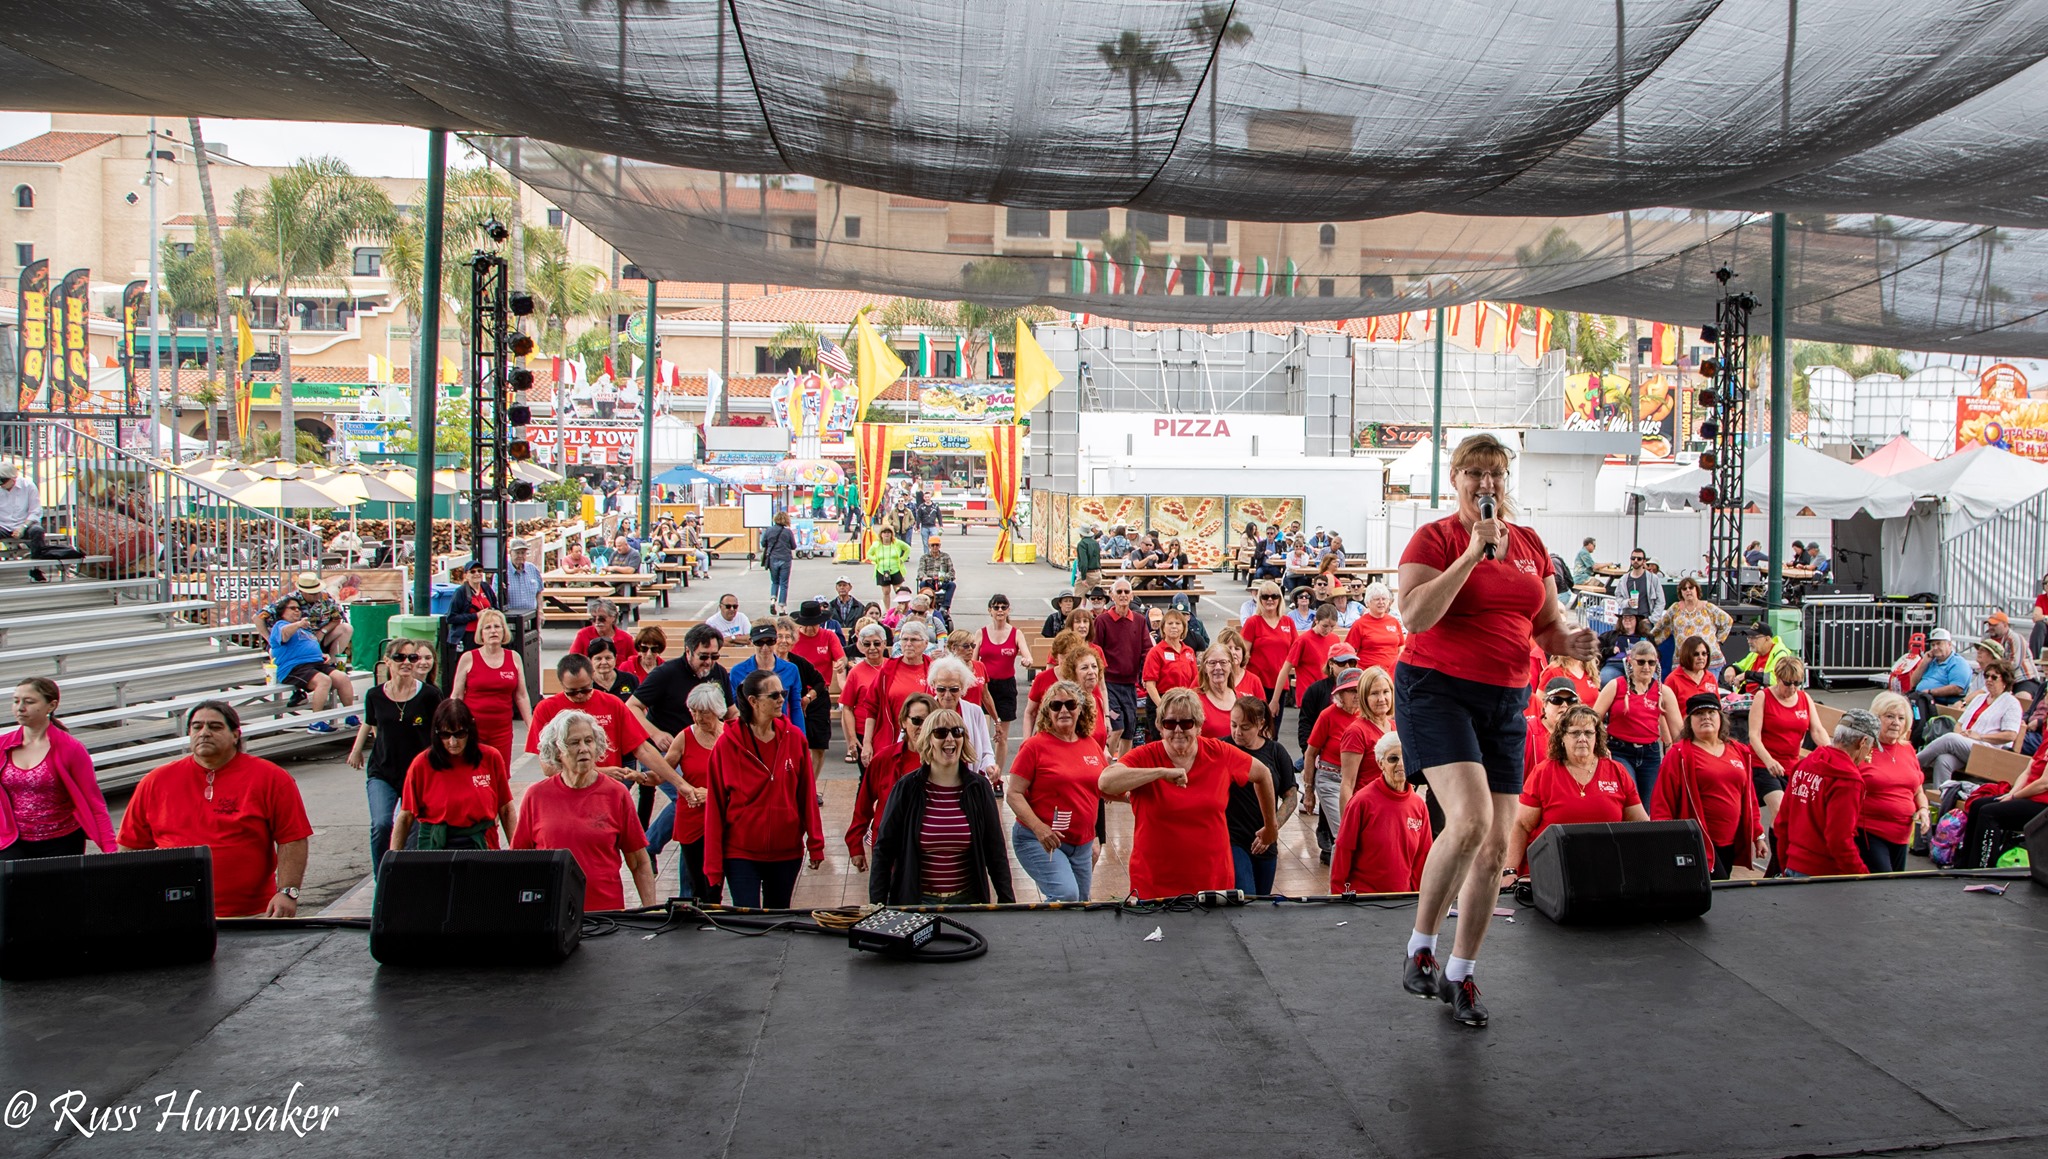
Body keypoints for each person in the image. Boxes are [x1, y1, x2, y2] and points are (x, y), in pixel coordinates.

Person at [1394, 433, 1595, 1028]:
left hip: (1505, 700)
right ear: (1455, 478)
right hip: (1436, 691)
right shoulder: (1435, 538)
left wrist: (1572, 643)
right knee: (1472, 818)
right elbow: (1414, 616)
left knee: (1494, 847)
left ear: (1506, 482)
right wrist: (1471, 557)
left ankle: (1460, 974)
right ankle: (1419, 948)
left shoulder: (1531, 544)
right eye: (1474, 473)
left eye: (1496, 474)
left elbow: (1547, 627)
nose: (1486, 483)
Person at [118, 701, 312, 917]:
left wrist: (287, 892)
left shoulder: (272, 778)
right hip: (173, 913)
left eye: (215, 727)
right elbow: (130, 848)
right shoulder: (155, 781)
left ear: (235, 735)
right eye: (197, 727)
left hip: (252, 914)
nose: (205, 733)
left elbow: (292, 839)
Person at [1100, 687, 1280, 899]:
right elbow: (1105, 782)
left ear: (1199, 727)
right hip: (1154, 882)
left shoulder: (1219, 753)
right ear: (1159, 726)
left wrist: (1271, 827)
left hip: (1212, 880)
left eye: (1186, 723)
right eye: (1170, 723)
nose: (1178, 730)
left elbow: (1263, 774)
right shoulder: (1144, 756)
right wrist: (1159, 773)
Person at [868, 707, 1014, 905]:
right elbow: (884, 850)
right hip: (917, 903)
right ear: (928, 740)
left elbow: (995, 851)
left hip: (968, 902)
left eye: (957, 732)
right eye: (940, 733)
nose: (950, 739)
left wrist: (1009, 905)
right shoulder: (906, 788)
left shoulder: (978, 788)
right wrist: (877, 904)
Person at [514, 710, 657, 910]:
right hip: (552, 913)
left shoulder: (616, 794)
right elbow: (520, 862)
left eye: (588, 741)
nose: (584, 749)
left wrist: (651, 912)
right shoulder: (536, 796)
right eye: (574, 743)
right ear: (557, 750)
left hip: (606, 915)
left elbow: (639, 863)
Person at [704, 669, 825, 907]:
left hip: (786, 852)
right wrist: (713, 864)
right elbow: (715, 807)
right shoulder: (727, 745)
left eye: (784, 693)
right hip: (740, 852)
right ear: (753, 701)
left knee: (778, 918)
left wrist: (816, 843)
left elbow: (806, 796)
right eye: (774, 695)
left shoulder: (795, 738)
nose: (782, 699)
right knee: (748, 919)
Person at [1504, 705, 1649, 873]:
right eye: (1574, 733)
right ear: (1562, 738)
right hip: (1552, 871)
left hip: (1607, 871)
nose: (1582, 739)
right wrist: (1509, 870)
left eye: (1588, 733)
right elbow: (1521, 825)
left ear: (1597, 737)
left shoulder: (1617, 772)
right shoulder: (1543, 773)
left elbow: (1641, 825)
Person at [347, 640, 442, 876]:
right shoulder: (375, 695)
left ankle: (405, 876)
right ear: (387, 661)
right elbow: (370, 723)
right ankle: (383, 878)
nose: (407, 663)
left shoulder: (430, 695)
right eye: (400, 658)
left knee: (413, 828)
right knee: (381, 824)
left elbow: (442, 729)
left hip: (418, 773)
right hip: (383, 770)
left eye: (412, 658)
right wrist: (357, 750)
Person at [1006, 681, 1106, 900]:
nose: (1063, 710)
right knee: (1066, 895)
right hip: (1039, 838)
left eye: (1070, 704)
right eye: (1055, 705)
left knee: (1081, 902)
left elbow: (1104, 788)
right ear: (1047, 711)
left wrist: (1137, 793)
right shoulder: (1034, 747)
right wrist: (1039, 828)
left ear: (1080, 708)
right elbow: (1013, 793)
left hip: (1082, 843)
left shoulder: (1090, 744)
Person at [0, 678, 115, 859]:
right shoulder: (2, 745)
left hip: (62, 842)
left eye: (29, 702)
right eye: (16, 701)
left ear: (51, 706)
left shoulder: (71, 748)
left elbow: (94, 803)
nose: (20, 707)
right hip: (11, 840)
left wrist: (111, 852)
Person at [1650, 693, 1760, 878]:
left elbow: (1749, 796)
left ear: (1721, 717)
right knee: (1718, 884)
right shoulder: (1680, 755)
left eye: (1711, 712)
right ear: (1689, 722)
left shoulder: (1739, 750)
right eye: (1699, 714)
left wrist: (1758, 834)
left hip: (1730, 841)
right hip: (1697, 841)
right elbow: (1662, 801)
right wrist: (1666, 841)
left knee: (1722, 891)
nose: (1706, 717)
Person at [391, 700, 516, 851]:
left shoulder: (490, 757)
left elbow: (506, 810)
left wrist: (517, 852)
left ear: (470, 731)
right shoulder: (421, 764)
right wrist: (393, 860)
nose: (453, 742)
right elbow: (406, 817)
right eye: (445, 735)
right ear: (437, 734)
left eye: (460, 734)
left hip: (480, 843)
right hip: (437, 846)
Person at [1773, 709, 1882, 877]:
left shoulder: (1805, 764)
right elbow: (1839, 840)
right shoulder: (1848, 781)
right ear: (1863, 742)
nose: (1869, 754)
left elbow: (1782, 823)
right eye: (1871, 748)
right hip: (1823, 873)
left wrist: (1784, 864)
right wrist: (1861, 875)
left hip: (1793, 865)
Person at [1332, 731, 1432, 894]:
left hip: (1402, 899)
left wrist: (1416, 895)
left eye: (1405, 758)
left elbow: (1423, 856)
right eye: (1393, 758)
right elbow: (1344, 850)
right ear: (1380, 763)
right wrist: (1338, 896)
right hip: (1364, 899)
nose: (1400, 764)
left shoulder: (1419, 805)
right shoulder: (1361, 802)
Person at [646, 682, 720, 901]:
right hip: (693, 818)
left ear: (717, 710)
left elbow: (744, 782)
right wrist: (644, 777)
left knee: (717, 880)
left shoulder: (732, 735)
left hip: (722, 817)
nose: (697, 718)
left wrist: (712, 795)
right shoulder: (685, 736)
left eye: (703, 712)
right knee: (697, 882)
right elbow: (663, 772)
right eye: (693, 712)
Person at [848, 693, 933, 869]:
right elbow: (863, 805)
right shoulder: (884, 759)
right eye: (916, 721)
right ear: (903, 721)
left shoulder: (948, 762)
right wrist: (856, 845)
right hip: (890, 851)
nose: (922, 727)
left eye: (928, 721)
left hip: (931, 854)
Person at [1222, 695, 1297, 894]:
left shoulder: (1276, 752)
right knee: (1246, 895)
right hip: (1232, 838)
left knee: (1262, 901)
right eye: (1233, 725)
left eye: (1245, 727)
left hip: (1265, 843)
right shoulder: (1222, 748)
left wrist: (1272, 827)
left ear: (1261, 723)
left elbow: (1290, 796)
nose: (1238, 732)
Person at [1592, 640, 1683, 801]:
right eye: (1641, 662)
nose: (1646, 667)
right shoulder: (1615, 686)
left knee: (1648, 805)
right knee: (1630, 797)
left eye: (1651, 662)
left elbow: (1679, 733)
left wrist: (1680, 756)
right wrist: (1600, 746)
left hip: (1650, 753)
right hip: (1620, 750)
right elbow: (1593, 719)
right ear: (1630, 662)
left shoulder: (1663, 692)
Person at [629, 624, 731, 760]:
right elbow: (631, 706)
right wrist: (655, 734)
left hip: (705, 746)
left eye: (714, 657)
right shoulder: (666, 673)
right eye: (703, 656)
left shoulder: (719, 672)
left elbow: (731, 712)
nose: (709, 662)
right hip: (668, 748)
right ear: (688, 651)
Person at [1918, 658, 2023, 783]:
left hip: (1990, 751)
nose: (1988, 680)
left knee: (1950, 738)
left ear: (2005, 681)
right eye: (1987, 676)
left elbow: (2011, 735)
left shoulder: (2011, 703)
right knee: (1943, 760)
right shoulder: (1979, 698)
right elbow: (1960, 724)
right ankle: (1941, 800)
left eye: (1994, 677)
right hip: (1967, 744)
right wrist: (1960, 734)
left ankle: (1912, 762)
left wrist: (1980, 737)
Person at [451, 608, 530, 766]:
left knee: (499, 772)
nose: (493, 631)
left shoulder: (514, 658)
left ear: (504, 630)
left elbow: (521, 695)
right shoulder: (468, 658)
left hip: (502, 729)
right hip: (473, 728)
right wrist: (454, 725)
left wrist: (531, 725)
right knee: (474, 772)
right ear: (481, 633)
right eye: (488, 627)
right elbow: (456, 696)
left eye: (497, 626)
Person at [1859, 692, 1928, 874]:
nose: (1896, 722)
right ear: (1876, 718)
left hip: (1902, 835)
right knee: (1884, 883)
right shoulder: (1864, 748)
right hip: (1870, 831)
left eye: (1901, 718)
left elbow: (1918, 791)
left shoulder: (1907, 749)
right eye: (1889, 716)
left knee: (1894, 887)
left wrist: (1923, 810)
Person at [1303, 666, 1368, 853]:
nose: (1356, 695)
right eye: (1351, 690)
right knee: (1344, 835)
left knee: (1362, 835)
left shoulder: (1367, 715)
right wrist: (1309, 792)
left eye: (1359, 689)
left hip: (1359, 780)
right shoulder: (1328, 715)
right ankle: (1341, 879)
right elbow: (1310, 753)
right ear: (1340, 694)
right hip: (1330, 779)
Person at [269, 596, 356, 731]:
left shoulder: (304, 629)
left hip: (315, 663)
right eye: (292, 608)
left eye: (298, 609)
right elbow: (284, 635)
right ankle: (316, 722)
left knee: (342, 678)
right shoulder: (280, 625)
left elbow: (307, 645)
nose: (297, 611)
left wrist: (321, 654)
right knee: (324, 680)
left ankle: (350, 716)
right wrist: (298, 624)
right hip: (294, 667)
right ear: (282, 611)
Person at [1089, 579, 1153, 759]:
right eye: (1119, 592)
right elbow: (1095, 651)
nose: (1123, 595)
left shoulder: (1139, 621)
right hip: (1109, 684)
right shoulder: (1102, 621)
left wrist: (1144, 674)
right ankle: (1103, 765)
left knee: (1129, 732)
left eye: (1126, 592)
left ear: (1131, 595)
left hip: (1130, 685)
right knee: (1117, 728)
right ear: (1112, 595)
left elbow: (1146, 650)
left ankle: (1122, 769)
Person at [858, 619, 935, 757]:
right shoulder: (887, 670)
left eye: (914, 640)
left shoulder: (934, 671)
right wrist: (867, 743)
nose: (908, 644)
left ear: (925, 644)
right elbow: (871, 709)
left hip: (925, 744)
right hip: (889, 741)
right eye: (904, 639)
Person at [1336, 664, 1399, 809]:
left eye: (1385, 691)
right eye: (1374, 693)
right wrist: (1348, 826)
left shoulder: (1396, 728)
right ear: (1364, 697)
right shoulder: (1356, 732)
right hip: (1368, 810)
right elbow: (1347, 784)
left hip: (1393, 809)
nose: (1381, 698)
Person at [1242, 579, 1299, 732]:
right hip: (1256, 683)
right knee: (1254, 729)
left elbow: (1295, 653)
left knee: (1273, 731)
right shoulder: (1253, 622)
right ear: (1259, 599)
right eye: (1265, 597)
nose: (1270, 600)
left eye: (1274, 596)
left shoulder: (1288, 622)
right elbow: (1243, 655)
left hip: (1278, 685)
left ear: (1280, 599)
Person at [1272, 602, 1341, 721]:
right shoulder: (1303, 641)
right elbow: (1285, 670)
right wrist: (1275, 700)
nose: (1328, 630)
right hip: (1309, 694)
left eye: (1332, 627)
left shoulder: (1334, 639)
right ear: (1316, 620)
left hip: (1328, 693)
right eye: (1324, 626)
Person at [262, 572, 352, 665]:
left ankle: (331, 663)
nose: (317, 595)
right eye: (313, 593)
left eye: (318, 591)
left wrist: (322, 631)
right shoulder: (289, 600)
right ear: (303, 591)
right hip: (295, 641)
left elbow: (337, 618)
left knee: (346, 628)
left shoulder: (325, 597)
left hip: (318, 638)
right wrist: (271, 639)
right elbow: (258, 617)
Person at [729, 623, 803, 730]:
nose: (765, 647)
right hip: (750, 730)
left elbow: (796, 706)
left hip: (780, 729)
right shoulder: (737, 671)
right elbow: (735, 708)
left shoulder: (791, 669)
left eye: (770, 641)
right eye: (759, 642)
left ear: (776, 640)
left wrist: (800, 738)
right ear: (751, 642)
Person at [840, 623, 889, 764]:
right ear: (861, 646)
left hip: (888, 730)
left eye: (877, 643)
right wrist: (852, 738)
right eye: (867, 644)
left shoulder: (893, 666)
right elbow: (847, 708)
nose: (872, 648)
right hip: (863, 731)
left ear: (884, 644)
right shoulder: (855, 672)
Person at [1653, 577, 1732, 658]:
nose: (1688, 590)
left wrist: (1719, 640)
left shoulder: (1708, 607)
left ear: (1696, 589)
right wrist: (1648, 640)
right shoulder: (1675, 608)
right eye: (1684, 589)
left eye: (1691, 587)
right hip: (1684, 658)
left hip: (1709, 659)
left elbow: (1728, 621)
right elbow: (1661, 627)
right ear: (1681, 592)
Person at [443, 562, 498, 677]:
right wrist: (475, 616)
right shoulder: (461, 592)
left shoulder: (486, 588)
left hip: (485, 635)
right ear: (466, 575)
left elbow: (496, 607)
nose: (476, 574)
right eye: (472, 572)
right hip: (468, 636)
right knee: (471, 667)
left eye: (479, 571)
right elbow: (451, 617)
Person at [1342, 582, 1406, 676]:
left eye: (1384, 599)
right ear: (1368, 602)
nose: (1381, 602)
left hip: (1392, 674)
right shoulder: (1359, 624)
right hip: (1368, 675)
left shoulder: (1394, 622)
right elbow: (1349, 651)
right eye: (1377, 599)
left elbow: (1401, 646)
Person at [1979, 611, 2042, 706]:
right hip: (1999, 678)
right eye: (1989, 624)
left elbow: (2014, 664)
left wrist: (1996, 670)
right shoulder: (1986, 637)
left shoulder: (2015, 638)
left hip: (2022, 679)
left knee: (2022, 697)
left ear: (2005, 625)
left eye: (1994, 625)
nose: (1990, 627)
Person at [1905, 627, 1973, 707]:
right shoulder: (1931, 660)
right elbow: (1913, 683)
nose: (1935, 648)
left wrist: (1930, 692)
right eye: (1933, 645)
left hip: (1940, 704)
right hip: (1922, 699)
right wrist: (1924, 663)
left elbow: (1957, 688)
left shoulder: (1958, 663)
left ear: (1949, 644)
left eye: (1939, 643)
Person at [0, 462, 49, 570]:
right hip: (3, 525)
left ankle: (36, 569)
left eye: (3, 480)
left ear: (13, 478)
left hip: (25, 523)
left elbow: (35, 511)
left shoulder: (28, 486)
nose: (1, 483)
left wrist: (23, 527)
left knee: (37, 530)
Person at [1723, 621, 1793, 691]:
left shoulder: (1781, 654)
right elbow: (1740, 666)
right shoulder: (1755, 654)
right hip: (1746, 697)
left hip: (1767, 698)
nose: (1749, 641)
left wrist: (1747, 675)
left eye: (1754, 638)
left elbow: (1775, 679)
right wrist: (1731, 669)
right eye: (1748, 637)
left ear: (1767, 639)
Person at [1595, 608, 1652, 686]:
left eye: (1630, 618)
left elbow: (1656, 654)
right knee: (1605, 678)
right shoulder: (1610, 635)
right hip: (1614, 664)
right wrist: (1610, 650)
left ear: (1637, 620)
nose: (1627, 620)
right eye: (1624, 618)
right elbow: (1596, 650)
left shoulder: (1645, 637)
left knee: (1652, 680)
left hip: (1639, 665)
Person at [1664, 635, 1721, 706]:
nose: (1701, 657)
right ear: (1686, 655)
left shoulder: (1710, 677)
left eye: (1704, 654)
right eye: (1696, 654)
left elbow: (1718, 707)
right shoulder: (1672, 680)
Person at [760, 511, 797, 613]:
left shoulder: (769, 530)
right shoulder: (788, 532)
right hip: (785, 559)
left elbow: (763, 543)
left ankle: (772, 601)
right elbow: (794, 546)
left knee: (775, 582)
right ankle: (782, 608)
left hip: (773, 559)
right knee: (784, 583)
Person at [571, 598, 635, 657]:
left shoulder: (626, 639)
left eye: (601, 618)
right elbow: (572, 660)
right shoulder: (583, 634)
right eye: (593, 618)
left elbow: (634, 662)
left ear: (613, 617)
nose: (597, 622)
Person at [1617, 549, 1667, 623]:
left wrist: (1652, 619)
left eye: (1639, 559)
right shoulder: (1624, 579)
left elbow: (1661, 601)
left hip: (1645, 621)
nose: (1636, 560)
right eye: (1633, 558)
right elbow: (1618, 597)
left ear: (1644, 561)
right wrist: (1627, 603)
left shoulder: (1653, 578)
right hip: (1629, 622)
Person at [871, 525, 911, 609]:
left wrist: (902, 559)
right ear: (881, 534)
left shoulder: (897, 543)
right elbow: (869, 554)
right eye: (884, 532)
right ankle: (887, 610)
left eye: (888, 532)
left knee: (899, 591)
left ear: (892, 534)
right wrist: (875, 559)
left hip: (895, 570)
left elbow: (908, 549)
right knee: (886, 592)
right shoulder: (876, 544)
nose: (886, 534)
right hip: (882, 571)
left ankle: (901, 609)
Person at [917, 533, 957, 612]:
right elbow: (920, 570)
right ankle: (925, 605)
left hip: (942, 580)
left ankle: (945, 607)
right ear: (929, 546)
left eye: (937, 545)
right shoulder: (924, 557)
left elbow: (951, 572)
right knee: (922, 584)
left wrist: (944, 577)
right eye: (933, 545)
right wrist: (924, 577)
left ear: (939, 546)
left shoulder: (945, 556)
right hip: (929, 581)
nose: (935, 547)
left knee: (952, 585)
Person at [504, 542, 543, 615]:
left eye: (523, 553)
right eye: (517, 553)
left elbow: (539, 592)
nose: (520, 556)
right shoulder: (503, 571)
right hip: (511, 617)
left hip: (532, 615)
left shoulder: (532, 568)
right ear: (510, 553)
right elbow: (495, 595)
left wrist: (540, 611)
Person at [826, 578, 864, 643]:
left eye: (844, 585)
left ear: (850, 587)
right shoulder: (830, 607)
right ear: (836, 588)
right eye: (840, 585)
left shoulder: (859, 607)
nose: (842, 588)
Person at [1073, 525, 1103, 597]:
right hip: (1097, 573)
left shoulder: (1082, 544)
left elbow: (1083, 562)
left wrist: (1083, 577)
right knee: (1098, 597)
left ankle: (1080, 608)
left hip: (1088, 574)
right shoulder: (1095, 543)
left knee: (1077, 597)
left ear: (1081, 534)